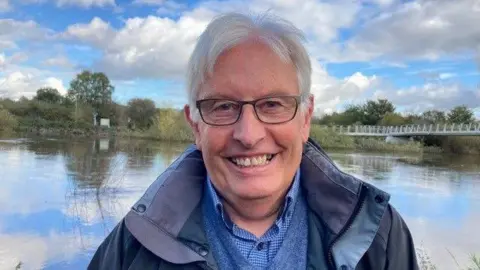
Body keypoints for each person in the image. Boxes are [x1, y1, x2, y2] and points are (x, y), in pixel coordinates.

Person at [88, 12, 419, 270]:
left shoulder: (378, 236)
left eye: (273, 105)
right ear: (195, 126)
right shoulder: (134, 246)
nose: (248, 135)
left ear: (306, 118)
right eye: (223, 106)